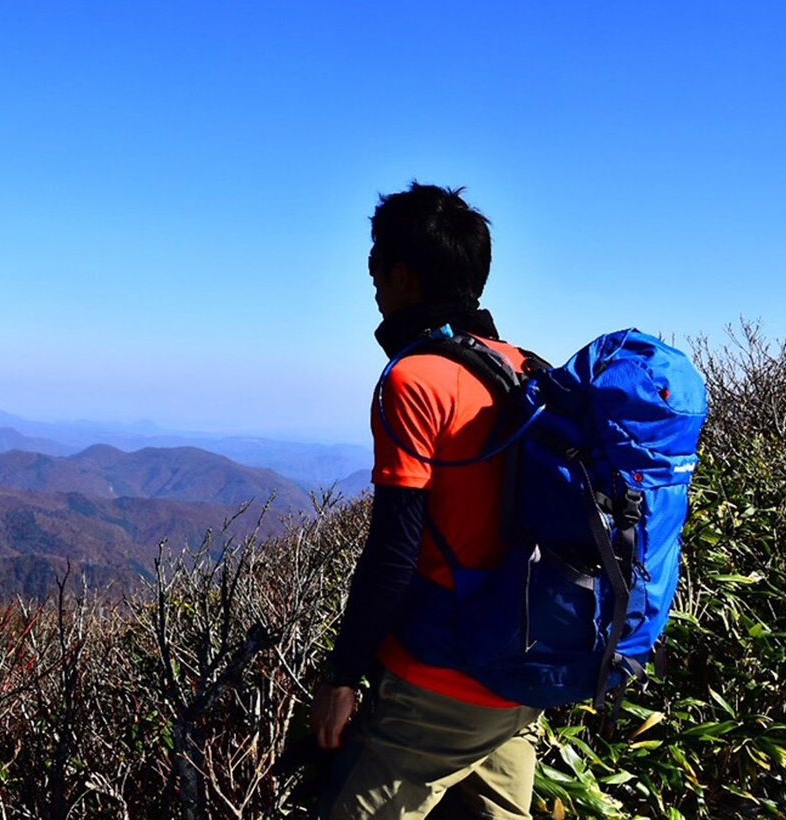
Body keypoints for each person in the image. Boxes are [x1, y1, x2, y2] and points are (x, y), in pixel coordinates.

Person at [311, 183, 543, 819]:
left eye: (374, 268)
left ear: (402, 276)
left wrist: (341, 678)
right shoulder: (525, 369)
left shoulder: (413, 380)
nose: (373, 285)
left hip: (443, 678)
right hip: (523, 675)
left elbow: (393, 551)